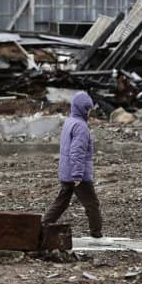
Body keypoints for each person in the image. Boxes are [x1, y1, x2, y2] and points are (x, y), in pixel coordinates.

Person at [42, 91, 103, 238]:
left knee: (61, 203)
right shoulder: (81, 126)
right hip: (77, 175)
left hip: (66, 172)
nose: (89, 112)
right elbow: (76, 152)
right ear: (82, 109)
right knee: (92, 204)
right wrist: (77, 174)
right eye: (87, 109)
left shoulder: (69, 122)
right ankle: (97, 235)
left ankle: (43, 226)